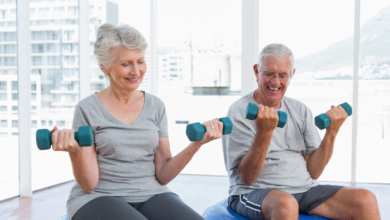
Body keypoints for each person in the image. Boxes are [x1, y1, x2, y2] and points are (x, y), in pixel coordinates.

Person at [50, 23, 223, 220]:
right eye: (126, 64)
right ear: (104, 67)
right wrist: (75, 151)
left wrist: (196, 144)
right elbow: (89, 184)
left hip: (151, 193)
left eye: (140, 61)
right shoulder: (87, 109)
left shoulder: (155, 106)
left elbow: (163, 174)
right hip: (99, 196)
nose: (136, 71)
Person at [222, 43, 380, 220]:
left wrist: (331, 132)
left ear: (292, 75)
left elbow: (314, 172)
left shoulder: (300, 110)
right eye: (268, 74)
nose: (275, 82)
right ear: (257, 71)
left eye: (282, 75)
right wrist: (264, 132)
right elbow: (247, 178)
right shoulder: (240, 111)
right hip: (253, 192)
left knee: (365, 199)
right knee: (286, 203)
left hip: (304, 190)